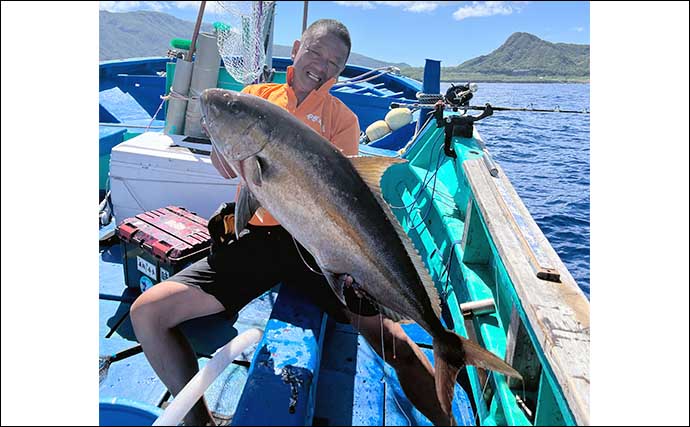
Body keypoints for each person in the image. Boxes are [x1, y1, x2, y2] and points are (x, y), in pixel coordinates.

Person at [131, 19, 454, 426]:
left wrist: (350, 264)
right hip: (258, 240)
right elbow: (229, 169)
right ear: (298, 47)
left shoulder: (342, 120)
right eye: (316, 52)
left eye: (334, 62)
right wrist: (225, 146)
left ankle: (448, 411)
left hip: (317, 247)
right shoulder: (254, 97)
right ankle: (199, 422)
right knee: (148, 313)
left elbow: (346, 201)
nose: (322, 66)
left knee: (394, 342)